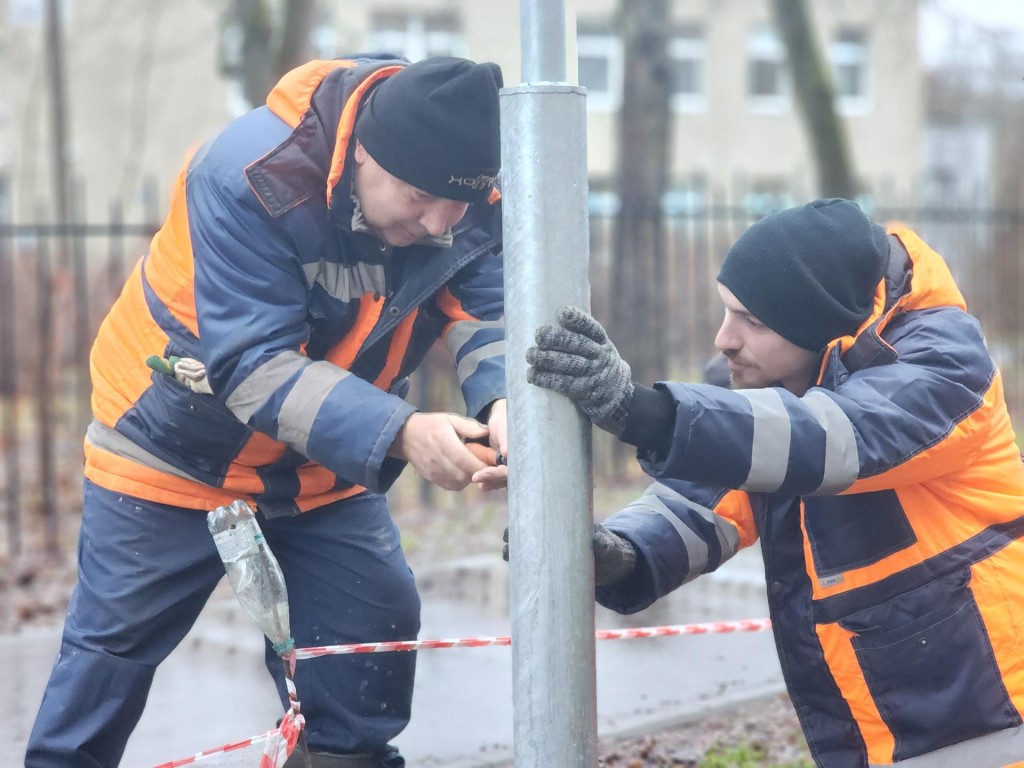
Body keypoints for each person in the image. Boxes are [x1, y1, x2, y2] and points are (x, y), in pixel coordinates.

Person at [26, 54, 509, 768]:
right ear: (365, 155)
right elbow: (254, 367)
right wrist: (401, 433)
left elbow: (487, 309)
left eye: (459, 202)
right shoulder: (250, 174)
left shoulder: (469, 192)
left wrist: (503, 402)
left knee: (368, 637)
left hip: (322, 462)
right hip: (169, 445)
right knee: (108, 662)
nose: (440, 221)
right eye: (416, 195)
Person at [524, 199, 1024, 767]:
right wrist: (623, 554)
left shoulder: (943, 365)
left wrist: (645, 412)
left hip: (987, 709)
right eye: (727, 312)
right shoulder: (776, 376)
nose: (724, 340)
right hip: (880, 720)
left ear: (822, 325)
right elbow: (708, 496)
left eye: (753, 321)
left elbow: (833, 439)